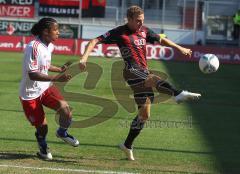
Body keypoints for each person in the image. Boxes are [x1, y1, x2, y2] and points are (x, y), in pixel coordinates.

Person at [79, 5, 201, 161]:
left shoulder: (144, 31)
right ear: (129, 19)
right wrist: (84, 58)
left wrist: (179, 47)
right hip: (131, 71)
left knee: (144, 115)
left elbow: (161, 39)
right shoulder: (119, 32)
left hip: (142, 70)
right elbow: (94, 41)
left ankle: (127, 145)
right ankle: (177, 94)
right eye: (137, 21)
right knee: (152, 78)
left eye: (142, 21)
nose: (140, 24)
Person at [19, 18, 79, 160]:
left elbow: (44, 65)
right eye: (56, 30)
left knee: (66, 111)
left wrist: (59, 69)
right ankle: (43, 147)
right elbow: (33, 74)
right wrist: (57, 78)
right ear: (46, 32)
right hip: (30, 94)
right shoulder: (33, 47)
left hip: (45, 88)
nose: (59, 32)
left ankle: (62, 133)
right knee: (42, 127)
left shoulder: (49, 46)